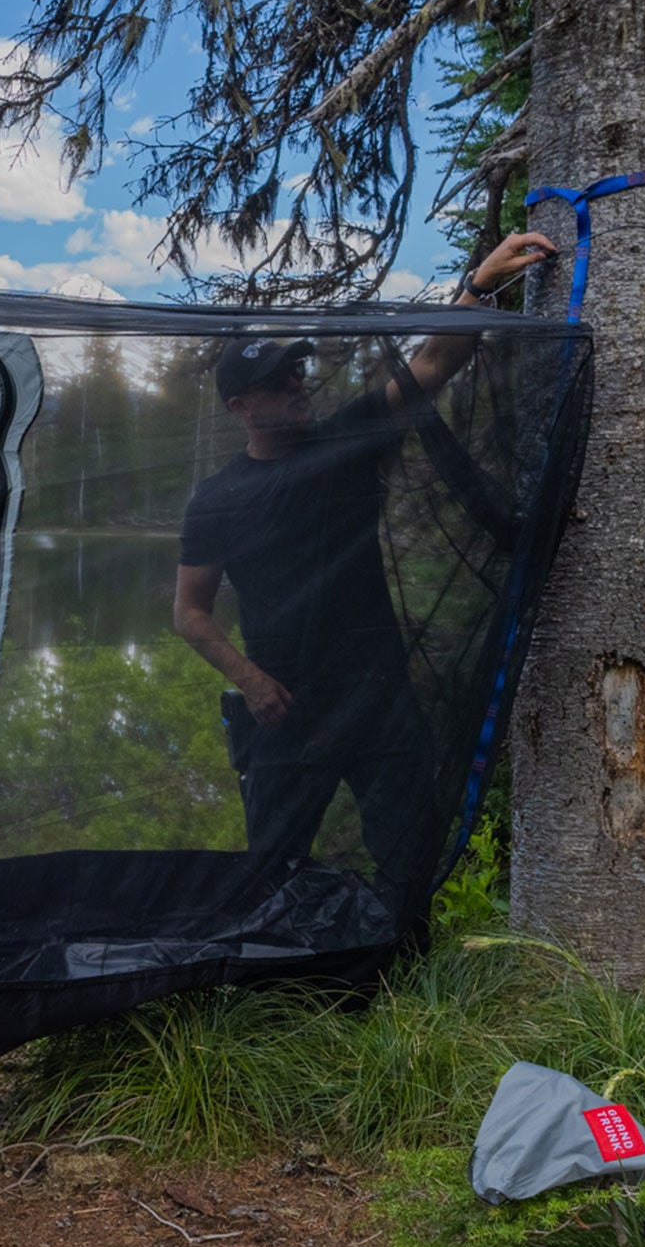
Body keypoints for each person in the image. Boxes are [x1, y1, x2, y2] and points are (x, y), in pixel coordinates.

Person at [172, 231, 557, 917]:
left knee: (407, 859)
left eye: (297, 372)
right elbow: (190, 611)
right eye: (276, 381)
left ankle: (398, 983)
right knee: (272, 869)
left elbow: (432, 365)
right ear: (240, 407)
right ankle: (279, 990)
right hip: (285, 707)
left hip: (378, 698)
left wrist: (479, 286)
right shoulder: (217, 498)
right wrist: (250, 681)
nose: (296, 385)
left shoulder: (346, 442)